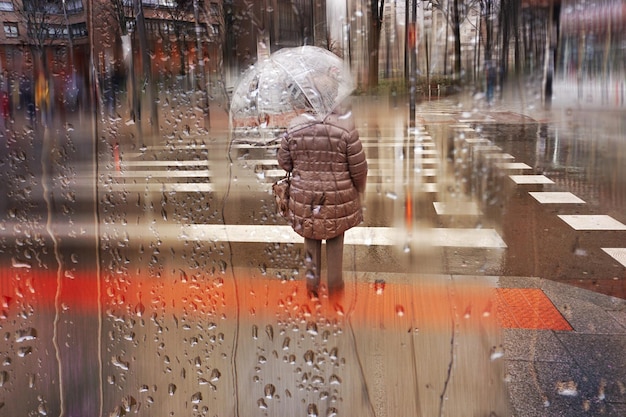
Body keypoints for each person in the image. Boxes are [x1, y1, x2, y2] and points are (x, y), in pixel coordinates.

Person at [277, 106, 368, 297]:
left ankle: (312, 289)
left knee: (310, 239)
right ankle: (336, 291)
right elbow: (359, 168)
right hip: (338, 196)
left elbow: (284, 162)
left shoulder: (295, 126)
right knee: (335, 239)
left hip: (305, 197)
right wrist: (360, 190)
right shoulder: (346, 126)